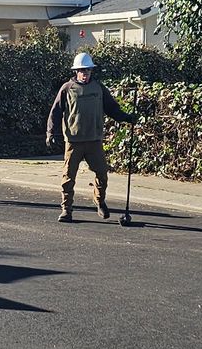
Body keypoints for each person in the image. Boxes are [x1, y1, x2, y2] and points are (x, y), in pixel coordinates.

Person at [45, 51, 137, 223]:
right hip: (74, 141)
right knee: (68, 178)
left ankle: (99, 200)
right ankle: (67, 209)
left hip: (94, 140)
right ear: (76, 71)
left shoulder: (99, 88)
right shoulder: (67, 88)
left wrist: (126, 117)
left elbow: (112, 108)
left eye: (88, 70)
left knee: (102, 173)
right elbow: (56, 112)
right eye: (82, 70)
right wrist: (51, 133)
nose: (85, 74)